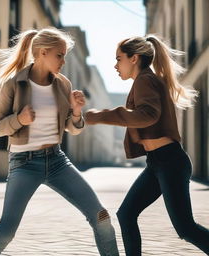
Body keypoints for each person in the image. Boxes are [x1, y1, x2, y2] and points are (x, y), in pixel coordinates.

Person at [0, 27, 119, 256]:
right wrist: (19, 119)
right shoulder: (14, 83)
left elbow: (71, 129)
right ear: (43, 52)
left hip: (57, 161)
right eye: (60, 55)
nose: (64, 61)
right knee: (7, 230)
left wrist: (76, 112)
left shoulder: (62, 84)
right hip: (23, 163)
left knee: (101, 217)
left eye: (65, 55)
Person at [85, 35, 209, 255]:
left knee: (186, 229)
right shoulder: (144, 80)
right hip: (157, 163)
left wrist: (99, 116)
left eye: (119, 58)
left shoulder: (145, 79)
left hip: (169, 161)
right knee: (126, 214)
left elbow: (147, 115)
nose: (115, 65)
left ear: (134, 58)